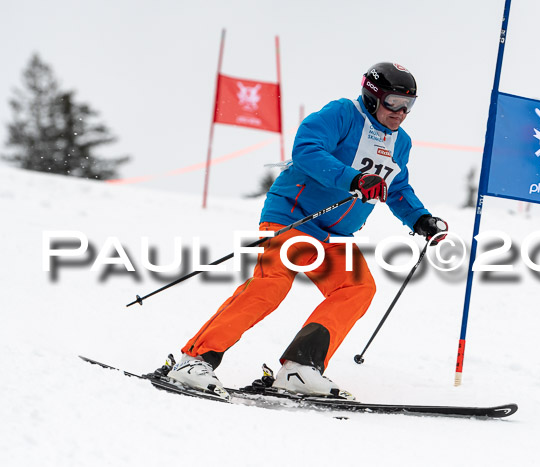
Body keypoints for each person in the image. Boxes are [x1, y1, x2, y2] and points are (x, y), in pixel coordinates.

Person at [167, 62, 448, 400]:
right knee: (272, 285)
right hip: (292, 217)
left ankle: (300, 369)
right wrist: (353, 179)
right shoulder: (343, 114)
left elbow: (397, 186)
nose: (401, 112)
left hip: (333, 237)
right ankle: (194, 359)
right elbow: (307, 149)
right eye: (393, 102)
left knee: (357, 288)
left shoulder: (400, 142)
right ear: (373, 97)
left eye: (409, 105)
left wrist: (420, 219)